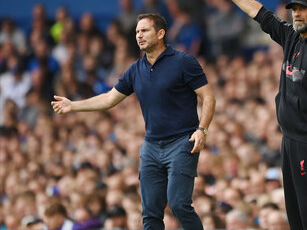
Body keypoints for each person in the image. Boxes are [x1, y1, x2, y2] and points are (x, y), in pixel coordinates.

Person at [202, 0, 307, 230]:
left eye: (303, 9)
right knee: (297, 216)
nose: (297, 14)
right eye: (294, 9)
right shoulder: (292, 37)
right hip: (289, 140)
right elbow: (259, 12)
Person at [51, 13, 216, 230]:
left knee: (178, 203)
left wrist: (202, 129)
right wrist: (74, 105)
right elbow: (110, 99)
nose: (139, 35)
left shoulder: (183, 62)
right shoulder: (135, 69)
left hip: (182, 143)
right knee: (150, 213)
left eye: (144, 30)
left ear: (160, 33)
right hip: (151, 147)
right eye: (137, 31)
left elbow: (209, 97)